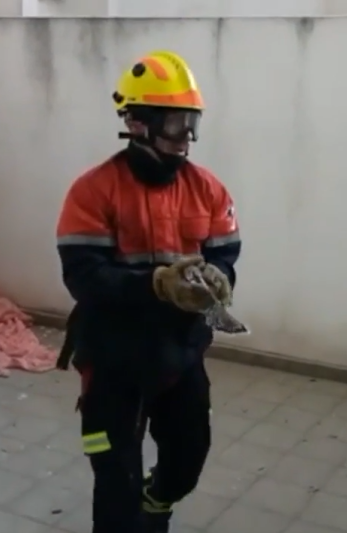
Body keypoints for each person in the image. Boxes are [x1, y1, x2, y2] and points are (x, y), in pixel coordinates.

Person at [54, 50, 241, 533]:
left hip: (180, 356)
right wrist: (157, 285)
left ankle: (156, 507)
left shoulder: (209, 189)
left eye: (192, 124)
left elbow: (225, 254)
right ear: (137, 124)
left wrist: (220, 279)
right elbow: (83, 275)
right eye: (177, 125)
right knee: (115, 482)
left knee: (187, 458)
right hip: (113, 359)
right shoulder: (93, 191)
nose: (187, 139)